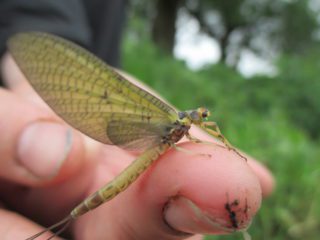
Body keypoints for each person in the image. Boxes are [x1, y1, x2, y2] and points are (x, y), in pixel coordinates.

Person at [0, 1, 274, 239]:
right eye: (202, 116)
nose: (204, 119)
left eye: (203, 117)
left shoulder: (182, 127)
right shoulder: (176, 123)